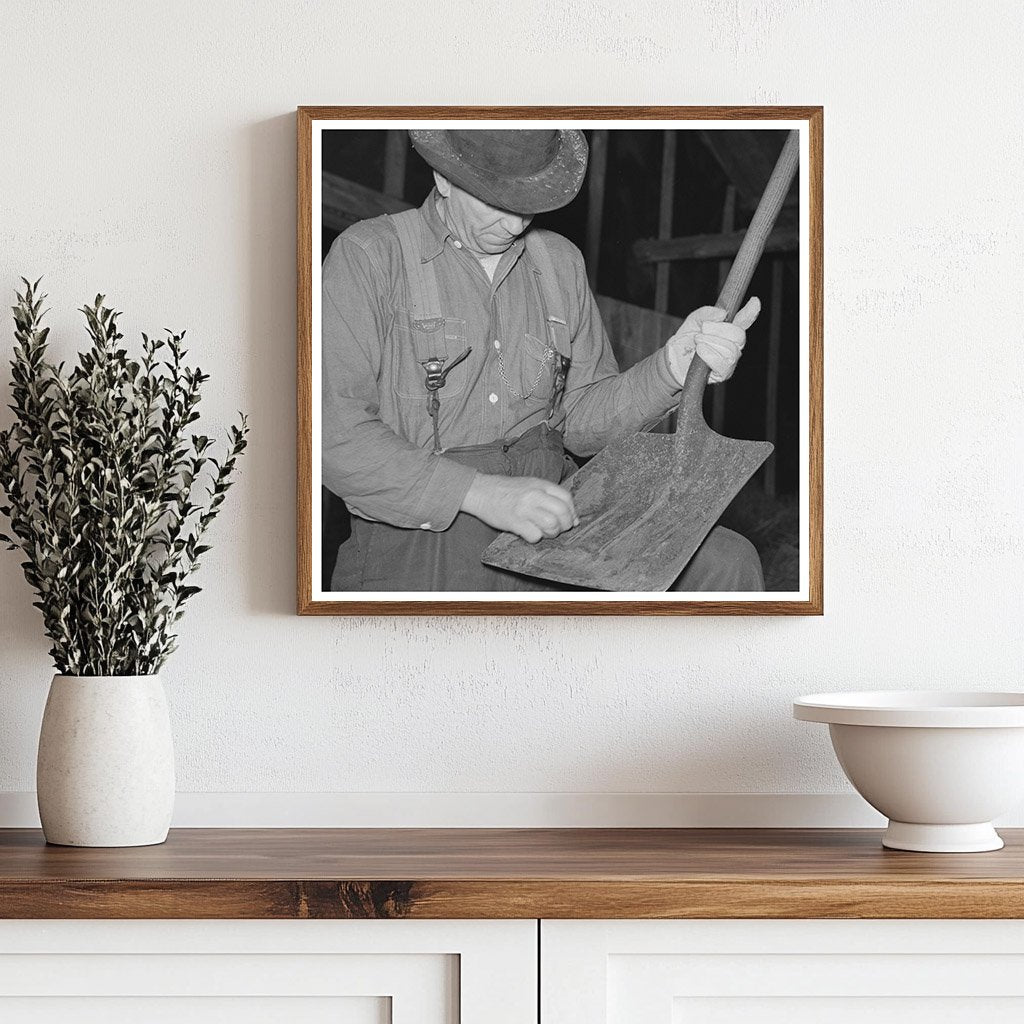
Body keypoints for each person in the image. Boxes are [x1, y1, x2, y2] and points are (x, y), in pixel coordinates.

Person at [322, 128, 765, 592]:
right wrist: (478, 492)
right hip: (422, 524)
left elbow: (581, 421)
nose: (515, 225)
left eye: (528, 203)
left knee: (725, 564)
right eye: (496, 201)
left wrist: (673, 367)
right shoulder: (371, 256)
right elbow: (333, 435)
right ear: (443, 177)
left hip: (548, 510)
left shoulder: (559, 262)